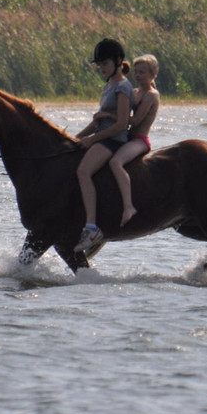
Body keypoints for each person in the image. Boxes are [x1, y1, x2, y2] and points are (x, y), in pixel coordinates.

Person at [74, 38, 133, 253]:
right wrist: (75, 138)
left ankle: (92, 228)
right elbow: (98, 121)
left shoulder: (123, 87)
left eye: (105, 64)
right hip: (102, 137)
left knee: (83, 171)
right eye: (99, 65)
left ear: (118, 61)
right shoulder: (108, 85)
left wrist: (92, 140)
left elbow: (121, 125)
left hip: (113, 141)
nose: (101, 68)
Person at [109, 54, 161, 226]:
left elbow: (136, 120)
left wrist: (112, 117)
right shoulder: (134, 92)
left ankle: (128, 206)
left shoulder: (152, 95)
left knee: (116, 162)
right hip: (127, 138)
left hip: (139, 140)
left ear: (153, 74)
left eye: (143, 72)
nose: (138, 76)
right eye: (136, 72)